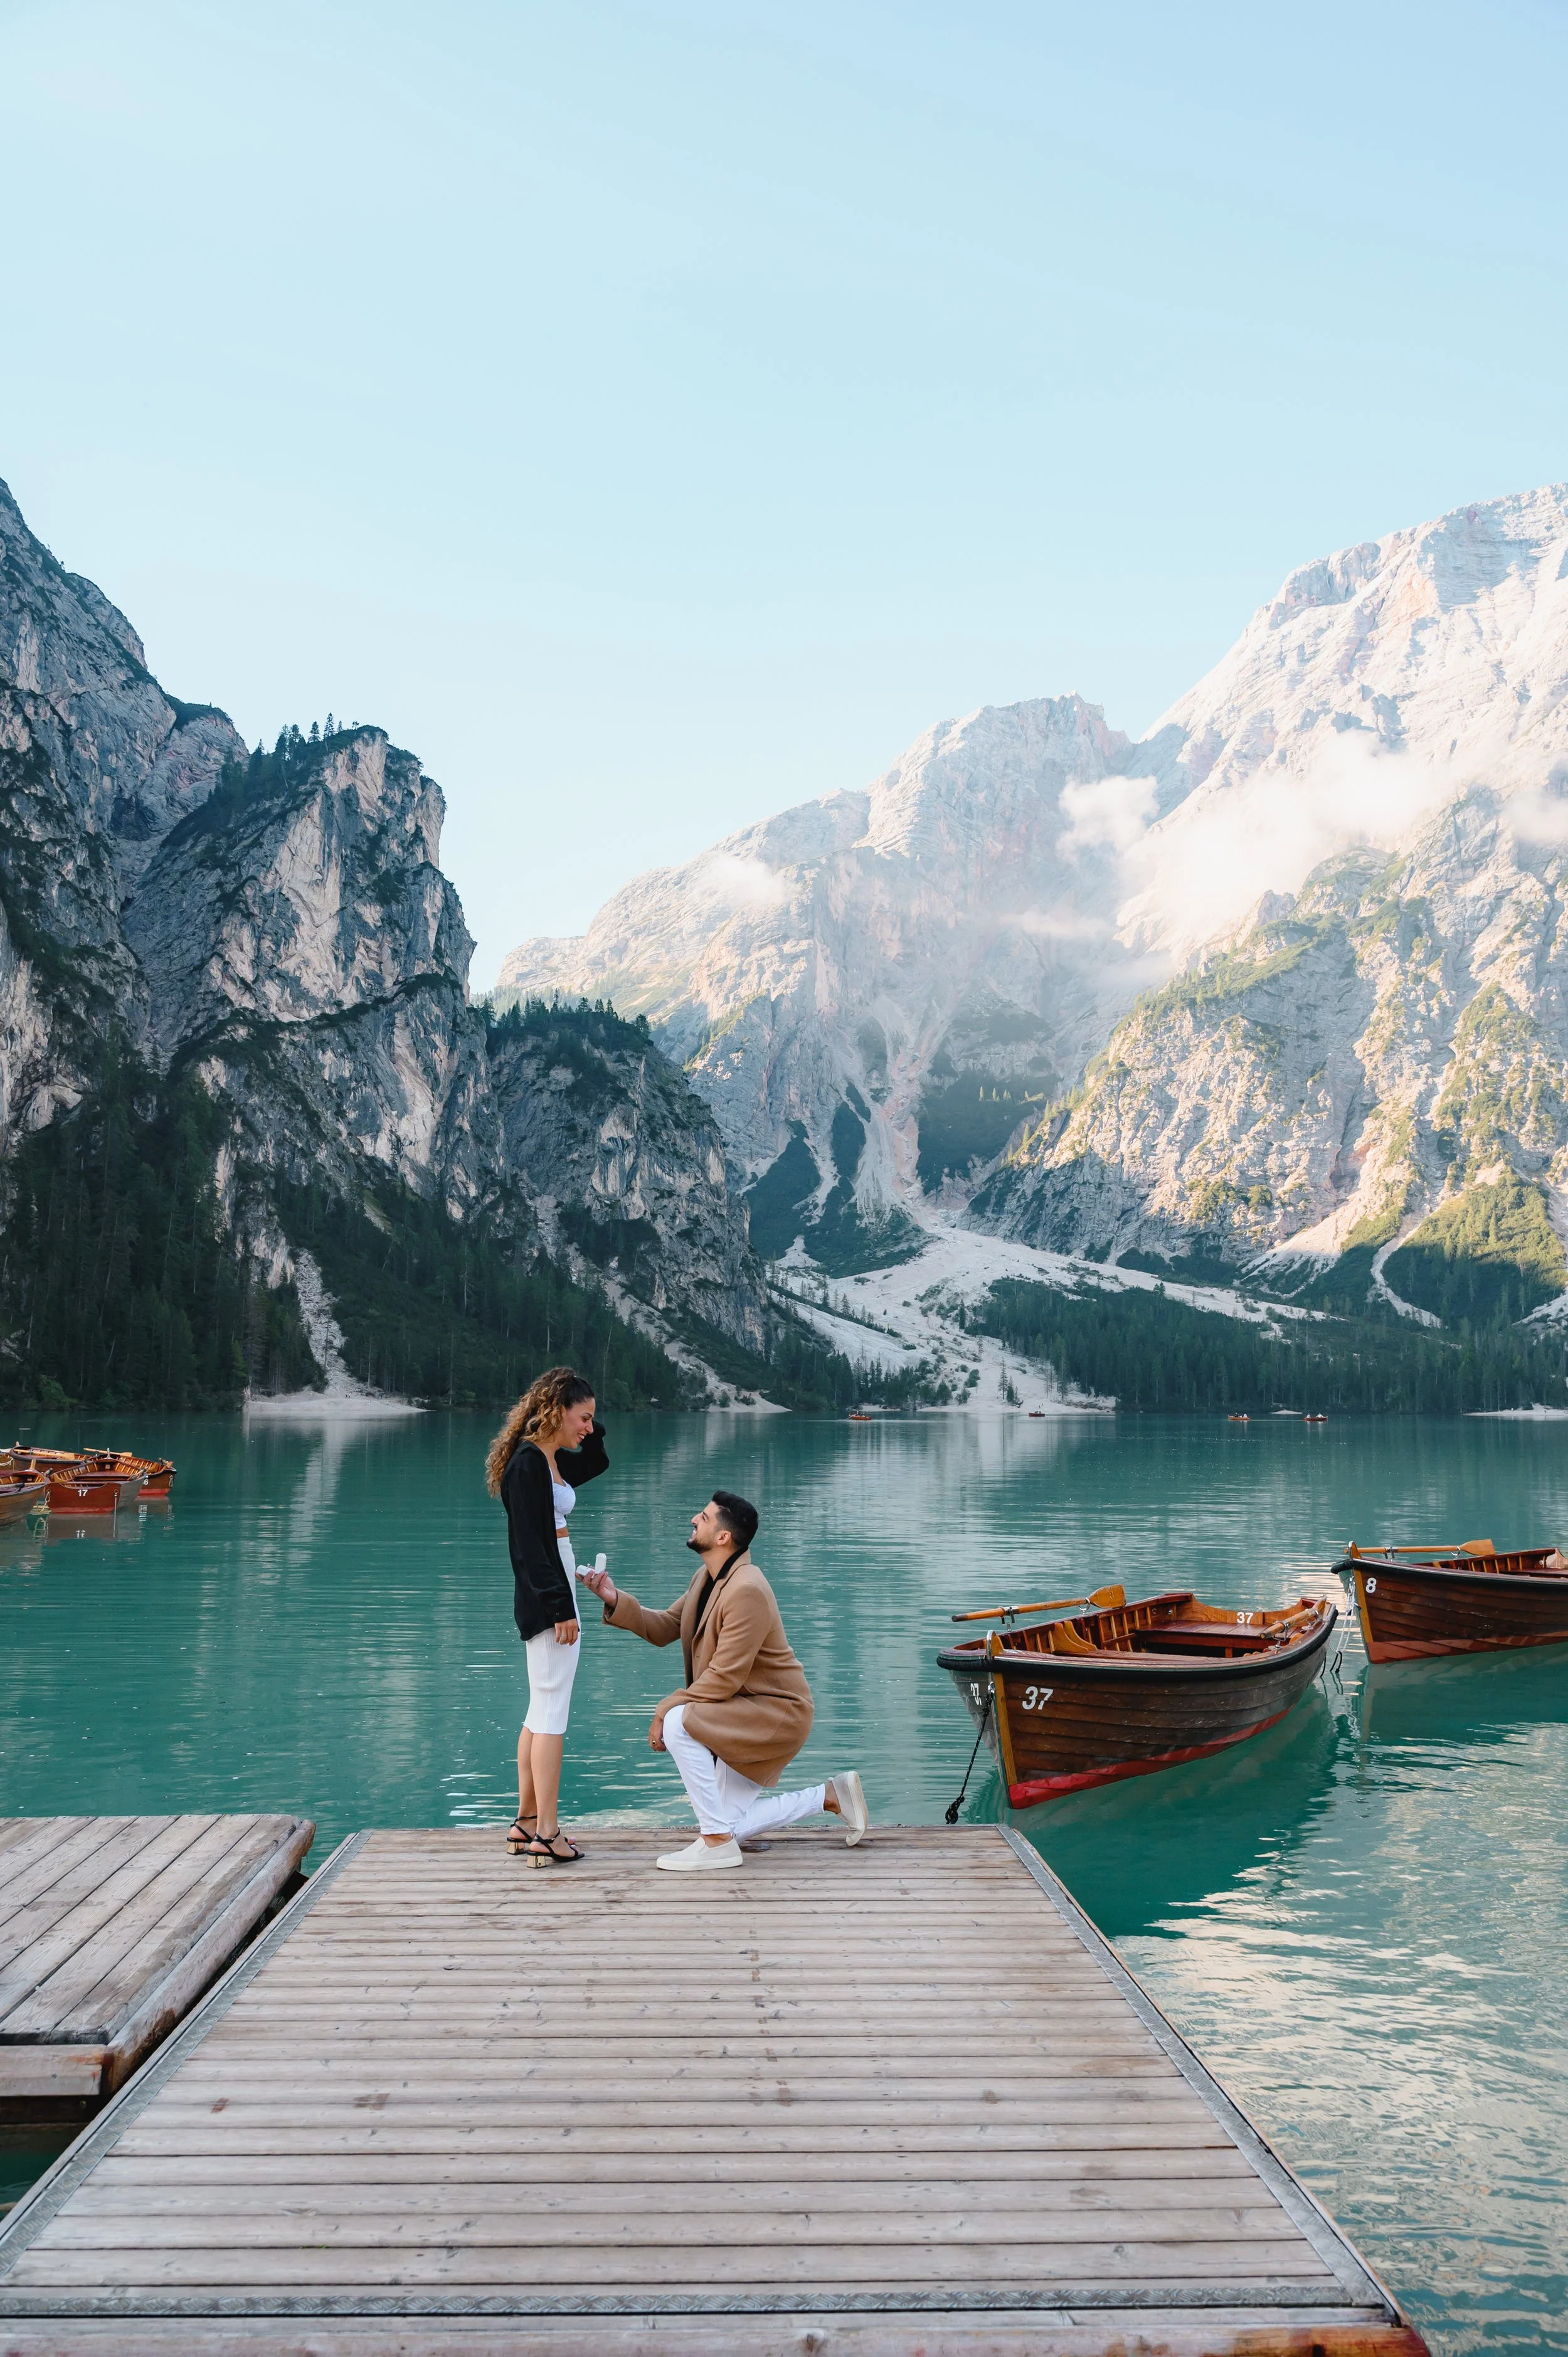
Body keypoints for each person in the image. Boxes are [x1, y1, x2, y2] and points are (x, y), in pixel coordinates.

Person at [580, 1490, 867, 1872]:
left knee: (680, 1722)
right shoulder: (709, 1578)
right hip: (742, 1711)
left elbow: (724, 1679)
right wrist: (613, 1597)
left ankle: (716, 1844)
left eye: (703, 1517)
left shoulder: (747, 1590)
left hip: (774, 1714)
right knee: (725, 1822)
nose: (694, 1520)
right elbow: (668, 1626)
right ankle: (828, 1796)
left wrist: (664, 1709)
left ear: (722, 1538)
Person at [485, 1366, 608, 1866]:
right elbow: (529, 1547)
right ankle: (549, 1833)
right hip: (547, 1595)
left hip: (551, 1586)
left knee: (541, 1709)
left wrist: (590, 1424)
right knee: (552, 1715)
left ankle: (527, 1823)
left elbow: (595, 1463)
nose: (587, 1427)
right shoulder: (528, 1465)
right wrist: (560, 1607)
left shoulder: (547, 1458)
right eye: (582, 1417)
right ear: (557, 1410)